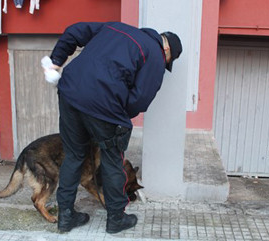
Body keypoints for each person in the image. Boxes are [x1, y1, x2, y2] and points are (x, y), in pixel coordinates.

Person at [49, 21, 182, 234]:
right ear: (167, 50)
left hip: (70, 92)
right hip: (103, 103)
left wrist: (57, 60)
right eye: (168, 61)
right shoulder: (155, 55)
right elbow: (139, 100)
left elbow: (74, 31)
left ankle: (65, 216)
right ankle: (116, 219)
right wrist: (118, 114)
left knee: (74, 155)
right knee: (112, 159)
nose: (164, 64)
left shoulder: (114, 28)